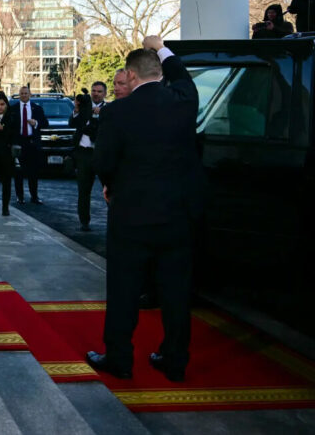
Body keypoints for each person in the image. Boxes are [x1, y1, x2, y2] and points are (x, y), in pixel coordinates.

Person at [86, 35, 202, 383]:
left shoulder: (116, 111)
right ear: (160, 73)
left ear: (132, 76)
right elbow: (182, 77)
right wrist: (161, 47)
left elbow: (103, 161)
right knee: (176, 292)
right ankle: (175, 360)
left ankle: (120, 359)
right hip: (177, 215)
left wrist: (111, 185)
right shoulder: (183, 100)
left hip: (131, 216)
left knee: (123, 289)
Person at [70, 81, 107, 230]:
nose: (96, 94)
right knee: (83, 190)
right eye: (94, 91)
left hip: (101, 154)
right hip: (84, 153)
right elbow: (72, 123)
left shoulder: (108, 109)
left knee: (109, 188)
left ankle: (115, 221)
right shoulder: (84, 107)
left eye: (99, 91)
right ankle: (84, 221)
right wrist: (76, 109)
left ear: (105, 93)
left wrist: (101, 114)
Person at [12, 86, 48, 204]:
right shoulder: (13, 109)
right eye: (22, 93)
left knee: (33, 172)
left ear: (30, 94)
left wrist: (36, 123)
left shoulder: (36, 108)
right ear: (19, 95)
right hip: (19, 143)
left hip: (32, 143)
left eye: (26, 93)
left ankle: (34, 196)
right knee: (18, 172)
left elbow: (45, 123)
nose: (24, 95)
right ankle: (20, 197)